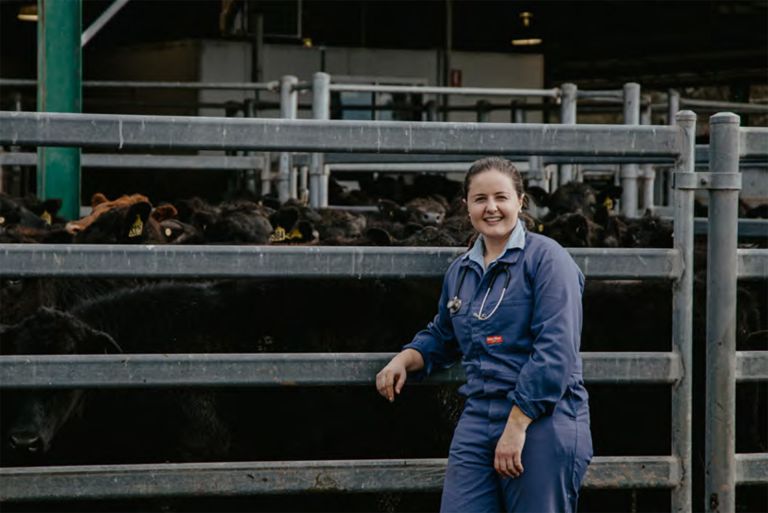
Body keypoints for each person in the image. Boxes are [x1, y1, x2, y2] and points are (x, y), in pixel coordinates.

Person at [376, 156, 593, 513]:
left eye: (501, 197)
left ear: (520, 202)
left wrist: (517, 424)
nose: (491, 208)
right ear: (466, 206)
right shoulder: (461, 271)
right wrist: (406, 357)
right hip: (479, 415)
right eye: (480, 199)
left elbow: (556, 352)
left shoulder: (548, 260)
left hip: (542, 418)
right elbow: (443, 336)